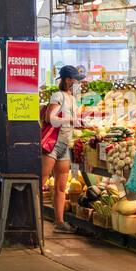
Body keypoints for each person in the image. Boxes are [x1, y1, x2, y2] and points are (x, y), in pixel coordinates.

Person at [43, 65, 84, 234]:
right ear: (68, 80)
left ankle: (59, 222)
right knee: (41, 182)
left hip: (65, 145)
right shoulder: (58, 96)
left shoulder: (73, 99)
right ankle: (33, 218)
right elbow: (49, 118)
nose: (79, 84)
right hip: (52, 144)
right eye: (76, 80)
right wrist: (70, 120)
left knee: (61, 186)